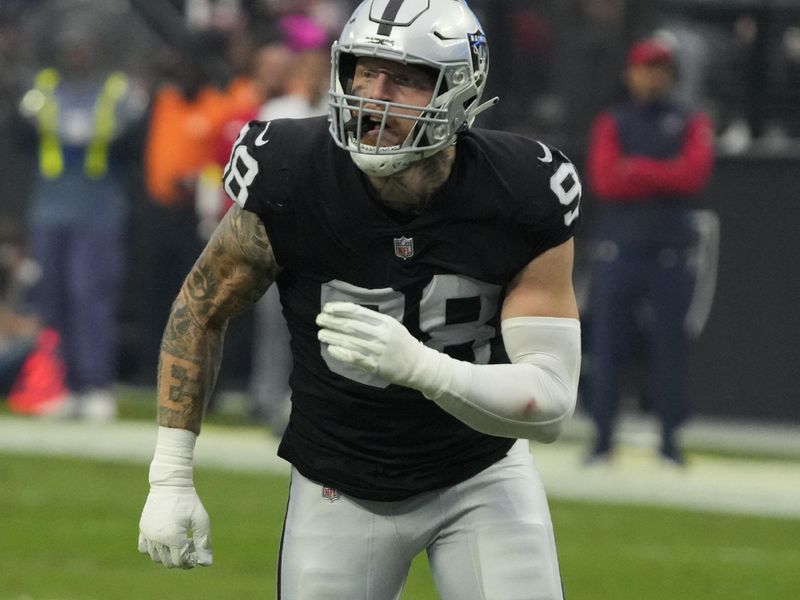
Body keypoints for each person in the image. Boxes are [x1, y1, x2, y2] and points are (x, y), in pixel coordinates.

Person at [138, 1, 582, 598]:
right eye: (362, 71)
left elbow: (551, 402)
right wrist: (170, 477)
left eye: (403, 77)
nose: (374, 95)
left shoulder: (521, 191)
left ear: (459, 89)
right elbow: (199, 310)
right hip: (338, 483)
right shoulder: (293, 172)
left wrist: (423, 369)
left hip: (480, 473)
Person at [583, 38, 715, 466]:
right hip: (618, 249)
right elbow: (604, 181)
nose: (653, 76)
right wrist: (663, 173)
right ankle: (602, 439)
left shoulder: (689, 121)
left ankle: (670, 441)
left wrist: (636, 169)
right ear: (631, 73)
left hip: (669, 254)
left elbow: (693, 176)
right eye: (646, 67)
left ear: (672, 75)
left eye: (661, 68)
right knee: (607, 346)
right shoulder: (612, 121)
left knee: (670, 348)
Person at [15, 19, 146, 420]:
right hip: (50, 207)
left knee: (90, 294)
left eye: (83, 46)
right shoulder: (44, 88)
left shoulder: (116, 91)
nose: (77, 54)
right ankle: (64, 382)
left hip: (98, 208)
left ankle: (96, 383)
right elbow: (23, 127)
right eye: (71, 47)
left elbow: (127, 132)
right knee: (52, 298)